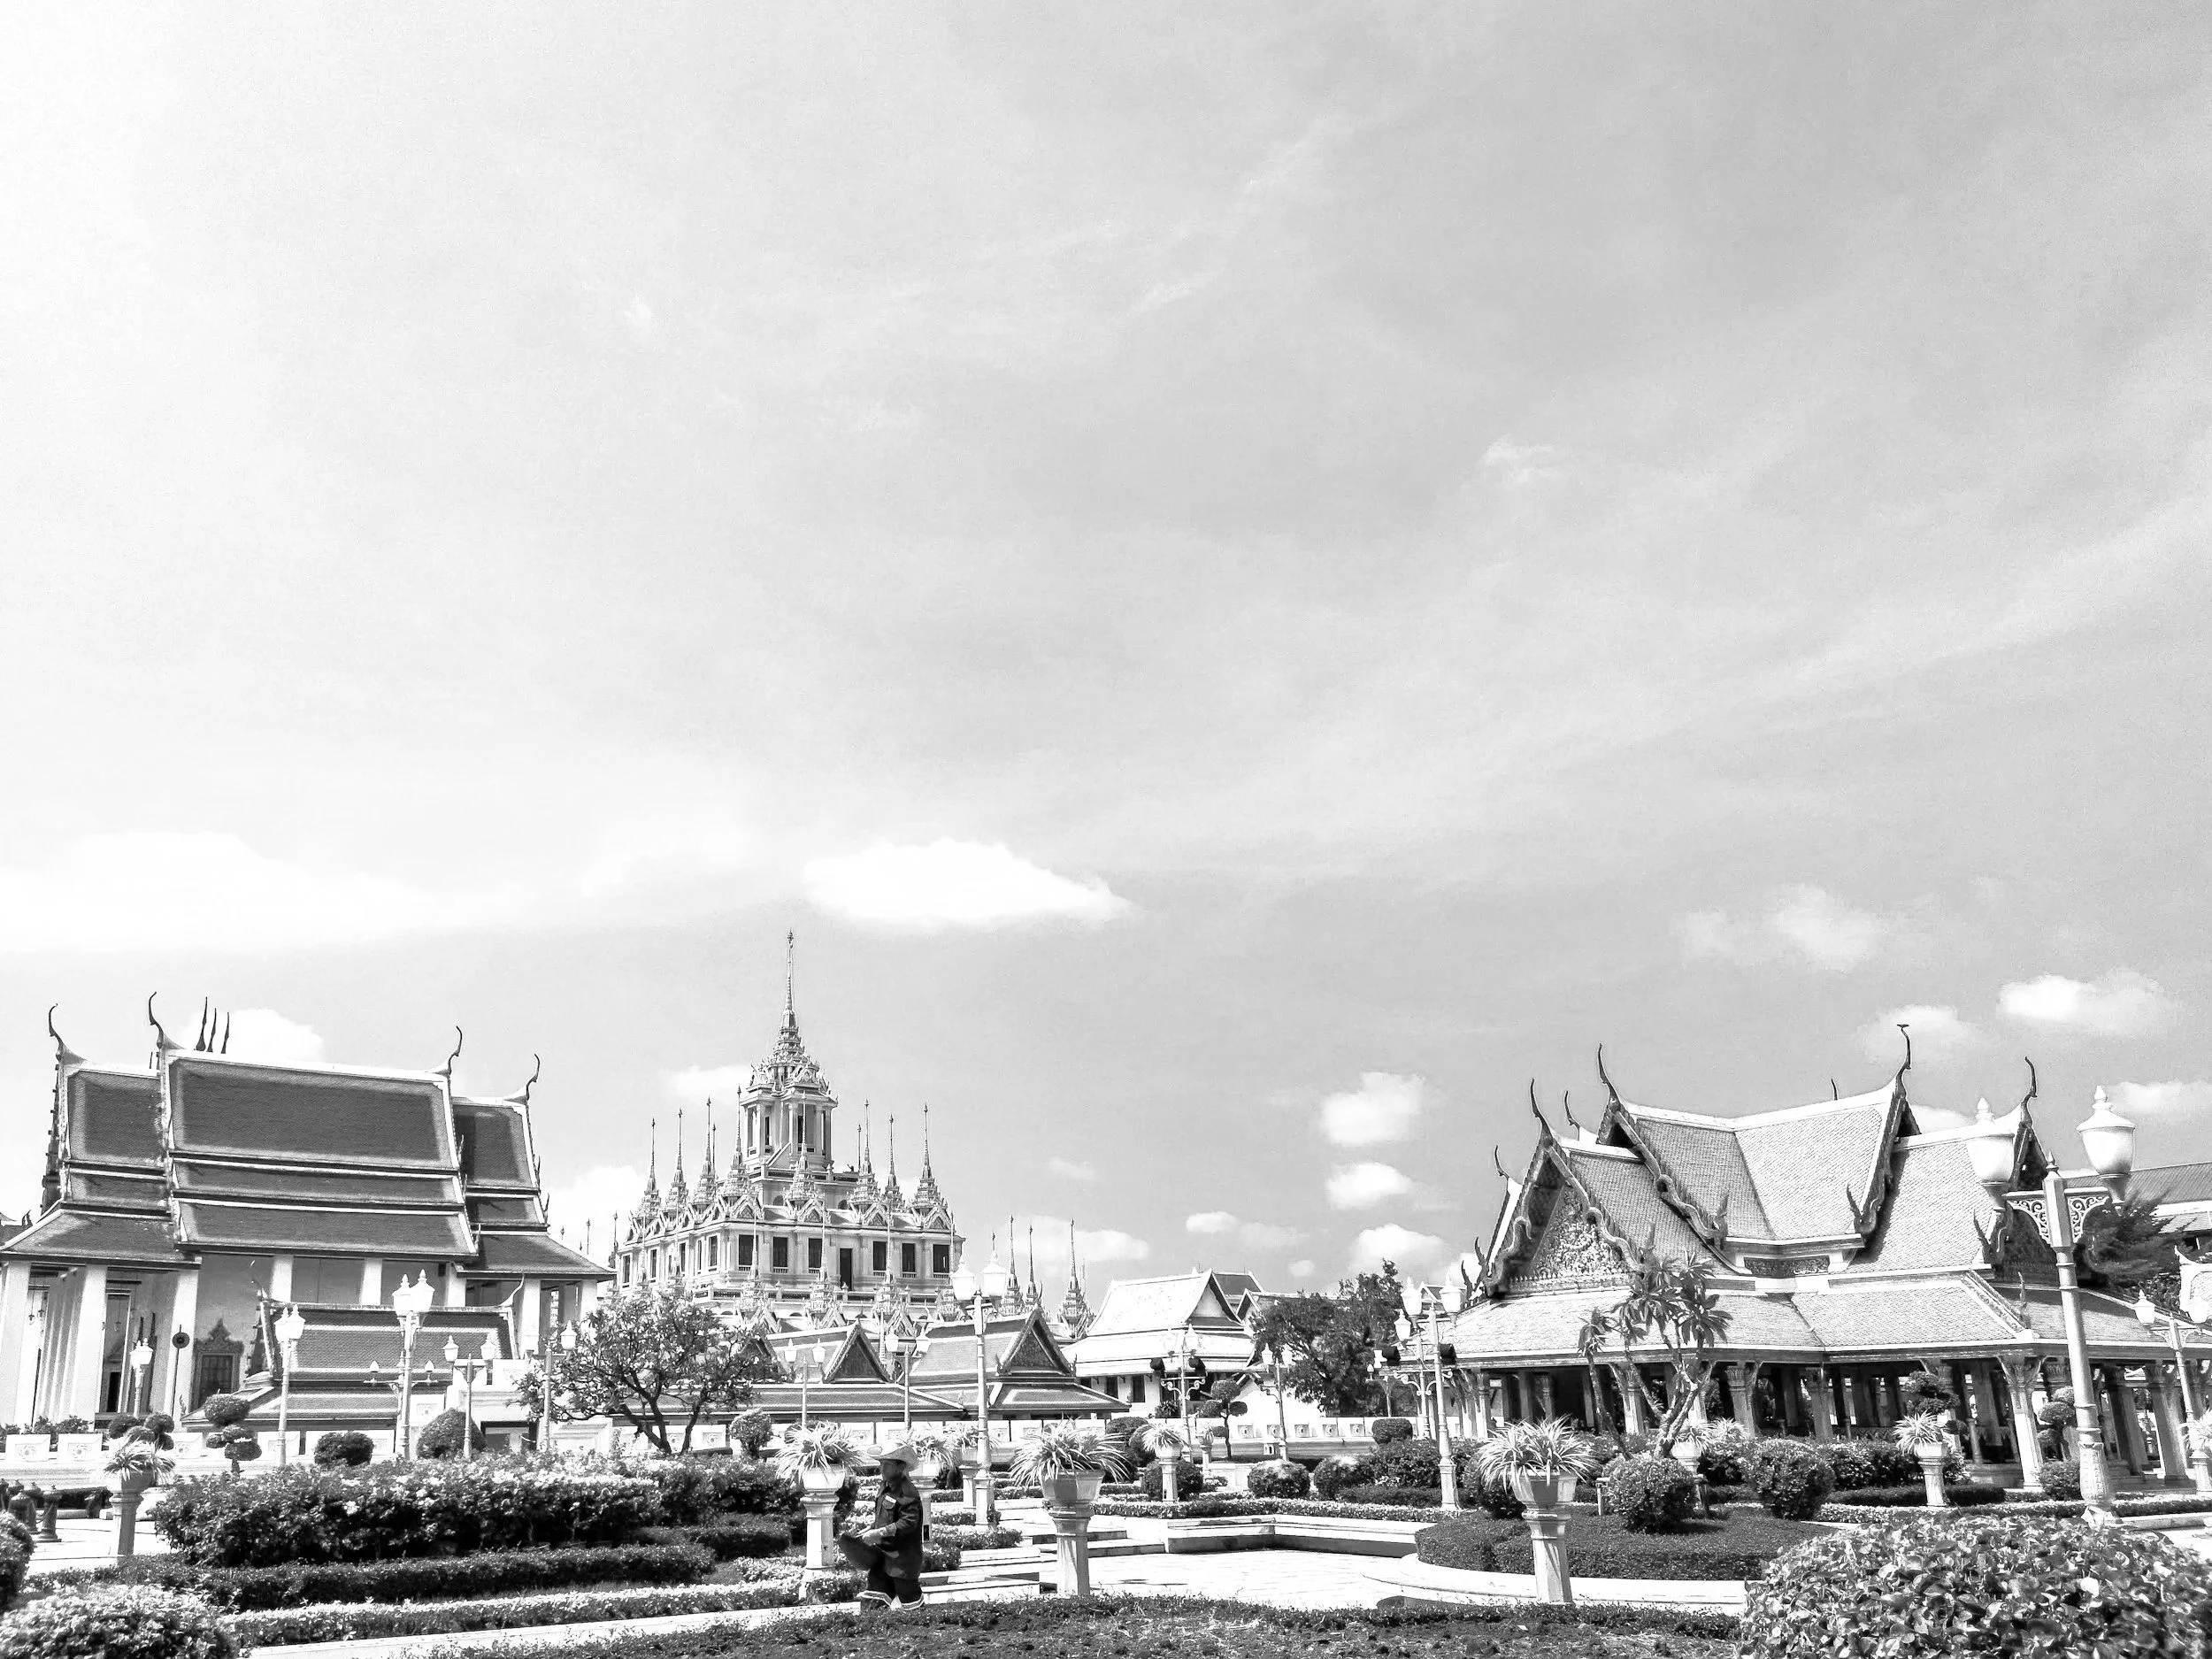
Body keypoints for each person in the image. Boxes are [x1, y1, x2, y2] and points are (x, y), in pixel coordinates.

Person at [854, 1443, 926, 1612]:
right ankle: (869, 1629)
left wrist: (879, 1533)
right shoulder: (885, 1487)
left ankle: (923, 1630)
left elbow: (908, 1523)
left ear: (900, 1467)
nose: (882, 1468)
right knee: (872, 1598)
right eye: (881, 1464)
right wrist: (870, 1529)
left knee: (911, 1603)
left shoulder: (907, 1492)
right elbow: (884, 1518)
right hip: (883, 1557)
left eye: (887, 1465)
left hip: (902, 1561)